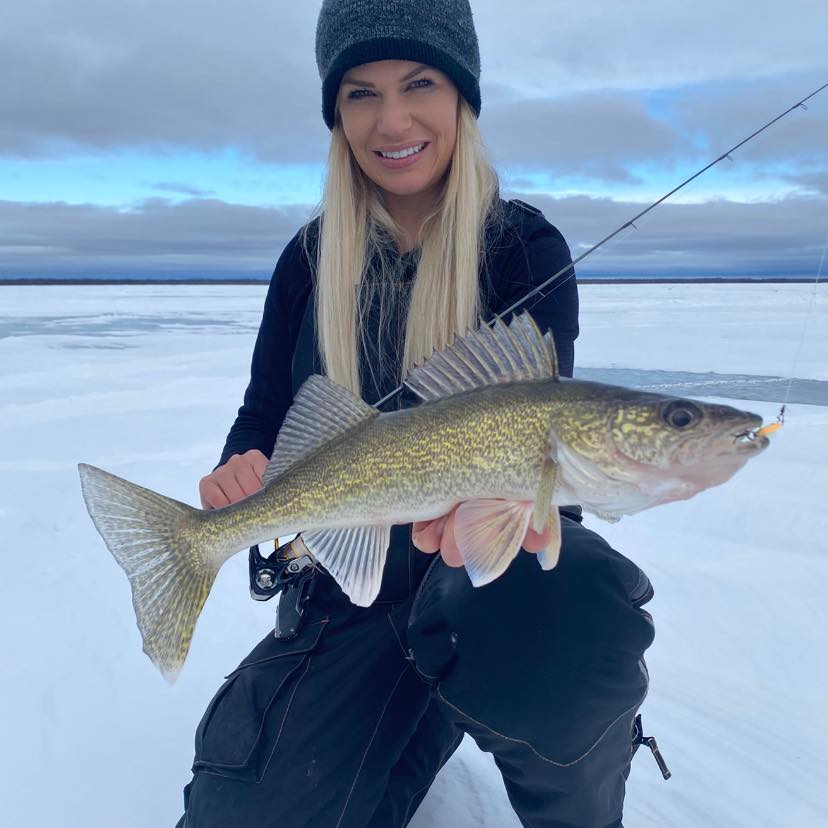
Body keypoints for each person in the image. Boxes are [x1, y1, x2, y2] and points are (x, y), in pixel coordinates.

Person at [176, 1, 656, 826]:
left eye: (419, 83)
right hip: (344, 589)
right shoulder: (305, 261)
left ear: (462, 96)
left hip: (482, 575)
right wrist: (241, 468)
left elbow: (536, 433)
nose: (391, 120)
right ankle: (407, 709)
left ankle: (552, 739)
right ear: (336, 114)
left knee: (576, 610)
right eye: (360, 93)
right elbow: (266, 412)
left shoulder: (522, 249)